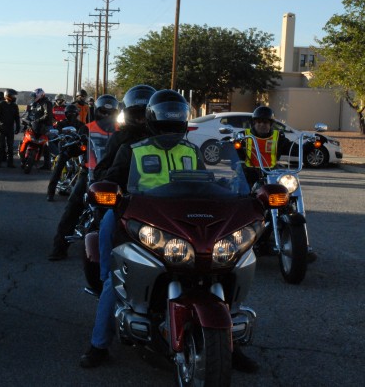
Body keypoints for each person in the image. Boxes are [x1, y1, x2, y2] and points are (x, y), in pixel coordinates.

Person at [80, 90, 259, 374]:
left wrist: (231, 188)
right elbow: (106, 177)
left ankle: (229, 346)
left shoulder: (191, 150)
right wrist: (110, 190)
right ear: (153, 122)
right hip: (136, 217)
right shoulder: (133, 150)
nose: (170, 131)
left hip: (180, 220)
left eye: (175, 125)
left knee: (222, 271)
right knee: (112, 282)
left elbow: (206, 182)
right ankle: (98, 344)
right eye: (165, 125)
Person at [238, 105, 317, 262]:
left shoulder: (278, 137)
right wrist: (232, 147)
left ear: (271, 124)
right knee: (242, 203)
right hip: (248, 175)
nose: (263, 125)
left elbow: (292, 150)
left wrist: (310, 145)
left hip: (272, 174)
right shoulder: (244, 136)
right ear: (254, 123)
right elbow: (233, 151)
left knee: (287, 201)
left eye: (266, 122)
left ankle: (300, 245)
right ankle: (240, 240)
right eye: (259, 121)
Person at [47, 94, 120, 261]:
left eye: (111, 112)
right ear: (97, 112)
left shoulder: (120, 130)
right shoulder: (87, 128)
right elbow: (78, 148)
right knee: (73, 206)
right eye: (103, 112)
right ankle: (59, 247)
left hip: (113, 175)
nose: (107, 116)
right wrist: (71, 147)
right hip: (90, 173)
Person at [46, 104, 89, 201]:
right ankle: (50, 193)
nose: (71, 115)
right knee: (58, 168)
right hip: (66, 149)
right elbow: (56, 131)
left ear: (77, 114)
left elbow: (86, 134)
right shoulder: (61, 124)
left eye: (73, 113)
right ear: (65, 114)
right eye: (69, 113)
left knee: (88, 167)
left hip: (79, 150)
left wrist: (86, 137)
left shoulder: (81, 125)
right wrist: (56, 134)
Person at [21, 88, 53, 170]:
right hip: (37, 125)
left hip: (46, 126)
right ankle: (22, 157)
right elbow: (33, 113)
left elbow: (47, 115)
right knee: (26, 136)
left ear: (40, 95)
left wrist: (37, 120)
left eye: (34, 96)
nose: (33, 97)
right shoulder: (38, 103)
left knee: (46, 145)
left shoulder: (46, 103)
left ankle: (47, 164)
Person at [0, 88, 21, 168]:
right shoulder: (0, 104)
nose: (14, 97)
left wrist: (18, 127)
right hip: (2, 128)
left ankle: (10, 163)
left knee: (10, 146)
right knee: (1, 146)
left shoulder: (14, 106)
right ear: (7, 96)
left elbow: (17, 117)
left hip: (10, 128)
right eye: (13, 95)